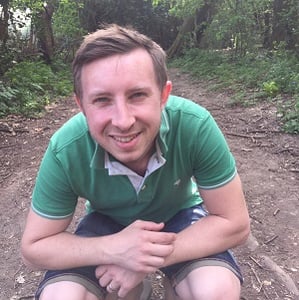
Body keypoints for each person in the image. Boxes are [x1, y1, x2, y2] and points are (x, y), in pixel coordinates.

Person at [21, 24, 250, 300]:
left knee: (216, 291)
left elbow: (235, 222)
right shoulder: (65, 149)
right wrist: (116, 250)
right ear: (81, 105)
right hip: (106, 224)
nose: (123, 121)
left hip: (179, 215)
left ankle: (174, 285)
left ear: (163, 95)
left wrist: (143, 259)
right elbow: (35, 246)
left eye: (137, 95)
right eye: (102, 100)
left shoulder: (195, 125)